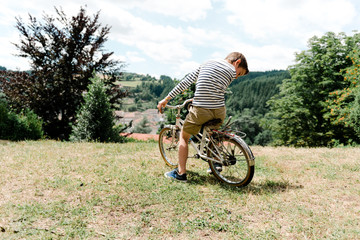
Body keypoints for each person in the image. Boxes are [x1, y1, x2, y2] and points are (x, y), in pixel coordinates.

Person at [157, 52, 249, 182]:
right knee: (213, 134)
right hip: (219, 110)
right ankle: (215, 164)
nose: (236, 77)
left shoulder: (207, 63)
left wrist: (166, 99)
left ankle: (181, 173)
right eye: (239, 73)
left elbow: (186, 83)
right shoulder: (230, 70)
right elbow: (216, 86)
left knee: (184, 136)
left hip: (201, 109)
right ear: (237, 62)